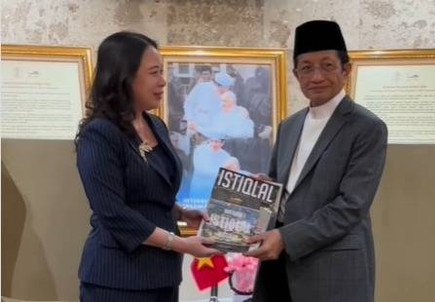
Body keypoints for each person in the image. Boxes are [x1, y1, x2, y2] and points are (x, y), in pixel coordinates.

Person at [246, 20, 388, 302]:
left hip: (331, 270)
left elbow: (351, 206)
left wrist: (287, 237)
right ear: (296, 74)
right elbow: (283, 188)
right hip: (278, 267)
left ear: (346, 69)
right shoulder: (289, 125)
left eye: (327, 65)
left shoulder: (367, 127)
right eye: (307, 68)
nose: (316, 77)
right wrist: (265, 188)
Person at [75, 32, 220, 302]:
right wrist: (180, 243)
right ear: (125, 77)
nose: (163, 81)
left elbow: (150, 191)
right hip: (117, 279)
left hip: (162, 275)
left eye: (162, 72)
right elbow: (113, 212)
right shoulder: (99, 134)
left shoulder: (157, 126)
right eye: (154, 72)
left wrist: (182, 212)